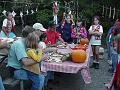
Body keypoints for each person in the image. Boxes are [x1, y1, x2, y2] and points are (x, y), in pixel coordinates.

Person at [7, 26, 45, 90]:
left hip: (22, 68)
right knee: (40, 77)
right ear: (29, 36)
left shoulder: (25, 42)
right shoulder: (19, 44)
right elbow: (26, 62)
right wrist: (41, 58)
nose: (34, 36)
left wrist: (45, 51)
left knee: (40, 74)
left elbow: (35, 52)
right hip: (16, 71)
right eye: (33, 34)